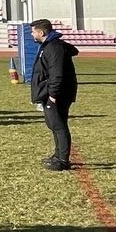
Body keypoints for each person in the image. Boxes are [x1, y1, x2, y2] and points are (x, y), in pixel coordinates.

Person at [30, 18, 80, 171]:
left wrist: (53, 95)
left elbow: (56, 74)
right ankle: (58, 155)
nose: (32, 35)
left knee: (59, 126)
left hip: (58, 95)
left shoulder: (54, 48)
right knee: (54, 125)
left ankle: (63, 160)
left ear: (42, 32)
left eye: (33, 32)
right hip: (51, 93)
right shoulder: (49, 46)